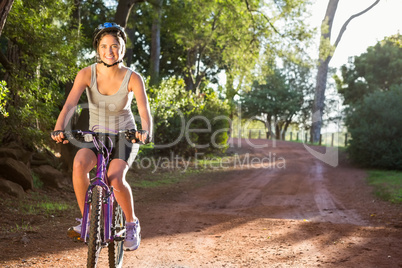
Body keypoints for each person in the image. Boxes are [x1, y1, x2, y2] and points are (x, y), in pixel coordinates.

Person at [51, 22, 152, 251]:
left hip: (124, 135)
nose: (109, 51)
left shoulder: (133, 77)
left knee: (115, 177)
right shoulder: (86, 74)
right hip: (95, 134)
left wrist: (144, 132)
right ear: (98, 48)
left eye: (114, 46)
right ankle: (86, 221)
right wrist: (59, 128)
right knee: (79, 164)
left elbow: (144, 111)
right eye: (104, 46)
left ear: (122, 49)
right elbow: (70, 105)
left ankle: (131, 223)